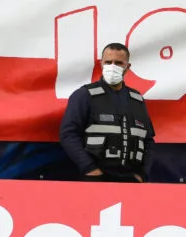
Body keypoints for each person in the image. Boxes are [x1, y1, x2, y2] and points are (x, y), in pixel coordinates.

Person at [59, 44, 154, 182]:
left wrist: (143, 174)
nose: (113, 66)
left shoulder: (137, 99)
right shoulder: (84, 95)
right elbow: (68, 134)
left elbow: (148, 140)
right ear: (101, 63)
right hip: (96, 178)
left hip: (131, 180)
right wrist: (89, 168)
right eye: (108, 62)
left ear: (127, 67)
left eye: (119, 63)